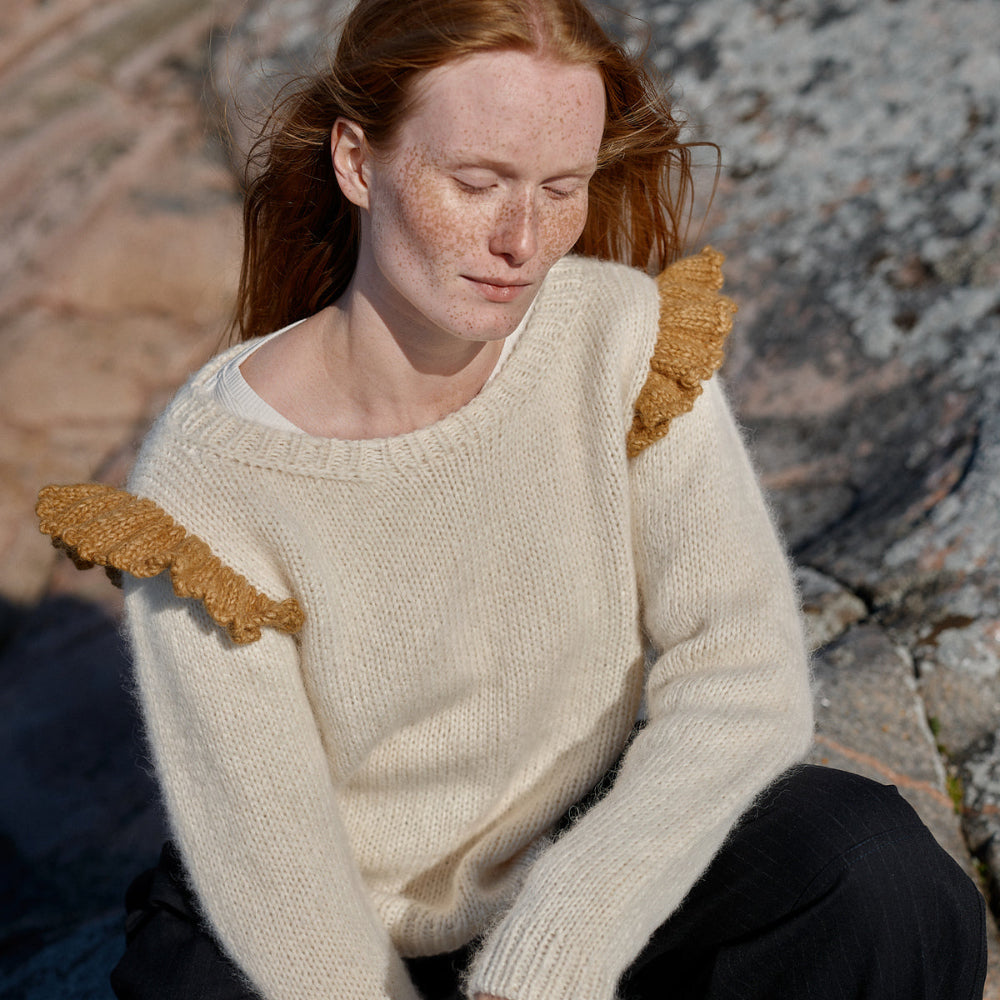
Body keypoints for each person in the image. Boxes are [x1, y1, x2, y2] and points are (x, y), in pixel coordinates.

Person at [35, 0, 987, 997]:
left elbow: (742, 674)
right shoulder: (215, 469)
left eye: (560, 187)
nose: (522, 240)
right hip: (301, 919)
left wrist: (556, 946)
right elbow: (268, 853)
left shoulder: (618, 341)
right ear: (359, 163)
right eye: (477, 182)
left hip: (563, 860)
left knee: (872, 875)